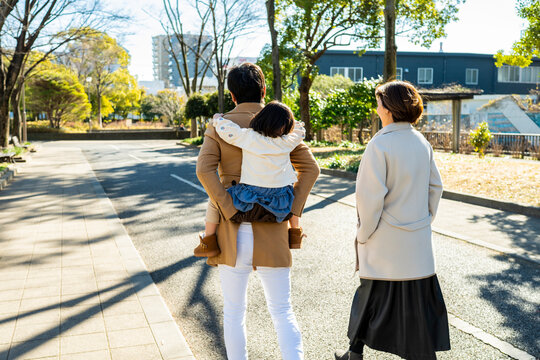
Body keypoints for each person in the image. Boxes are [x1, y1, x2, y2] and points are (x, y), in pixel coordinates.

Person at [196, 63, 320, 360]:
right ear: (263, 90)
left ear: (232, 94)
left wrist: (228, 207)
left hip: (230, 231)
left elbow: (204, 169)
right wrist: (291, 210)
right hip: (273, 228)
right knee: (281, 309)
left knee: (234, 311)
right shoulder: (280, 124)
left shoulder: (221, 124)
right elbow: (311, 169)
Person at [335, 80, 450, 360]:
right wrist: (423, 219)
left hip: (384, 241)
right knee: (411, 305)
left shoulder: (380, 144)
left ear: (388, 109)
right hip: (416, 243)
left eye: (379, 103)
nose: (377, 109)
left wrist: (363, 233)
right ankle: (355, 352)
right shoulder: (422, 142)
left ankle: (355, 353)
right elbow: (436, 187)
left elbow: (369, 198)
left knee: (371, 297)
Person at [194, 101, 306, 258]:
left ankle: (208, 240)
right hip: (281, 197)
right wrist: (298, 124)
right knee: (294, 196)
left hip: (251, 194)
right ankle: (295, 232)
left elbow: (228, 132)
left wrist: (218, 119)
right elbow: (300, 134)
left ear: (260, 119)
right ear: (285, 127)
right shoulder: (287, 142)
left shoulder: (249, 137)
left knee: (214, 200)